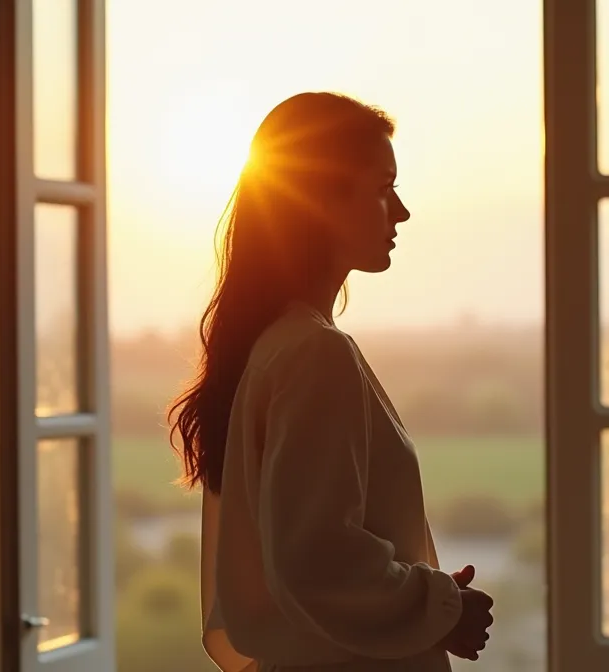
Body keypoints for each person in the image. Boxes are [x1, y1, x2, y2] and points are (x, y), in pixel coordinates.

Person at [168, 92, 495, 672]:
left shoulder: (274, 345)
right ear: (318, 200)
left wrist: (426, 596)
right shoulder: (315, 353)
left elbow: (294, 557)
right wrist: (444, 605)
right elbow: (317, 558)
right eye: (382, 186)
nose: (401, 211)